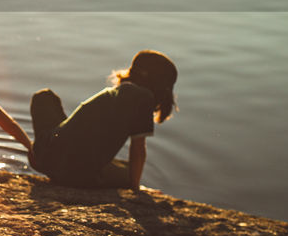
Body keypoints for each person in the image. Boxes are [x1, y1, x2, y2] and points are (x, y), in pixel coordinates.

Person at [28, 50, 178, 191]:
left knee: (44, 97)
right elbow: (138, 150)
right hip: (74, 175)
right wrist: (135, 189)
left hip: (46, 156)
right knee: (128, 171)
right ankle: (75, 170)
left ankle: (41, 152)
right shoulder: (144, 98)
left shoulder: (117, 92)